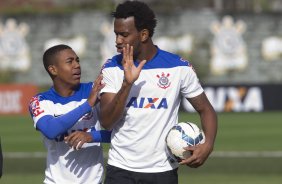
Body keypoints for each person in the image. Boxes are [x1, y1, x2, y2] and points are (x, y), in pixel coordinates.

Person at [99, 1, 218, 184]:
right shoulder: (111, 68)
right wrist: (127, 84)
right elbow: (106, 122)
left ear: (144, 34)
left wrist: (207, 145)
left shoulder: (178, 67)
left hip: (163, 172)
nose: (117, 41)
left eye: (124, 35)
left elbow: (206, 109)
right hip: (120, 170)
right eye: (116, 34)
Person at [28, 44, 111, 184]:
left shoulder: (95, 90)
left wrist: (92, 136)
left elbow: (121, 133)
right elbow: (50, 130)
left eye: (77, 60)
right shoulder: (40, 101)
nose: (77, 65)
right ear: (53, 69)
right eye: (70, 61)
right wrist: (88, 105)